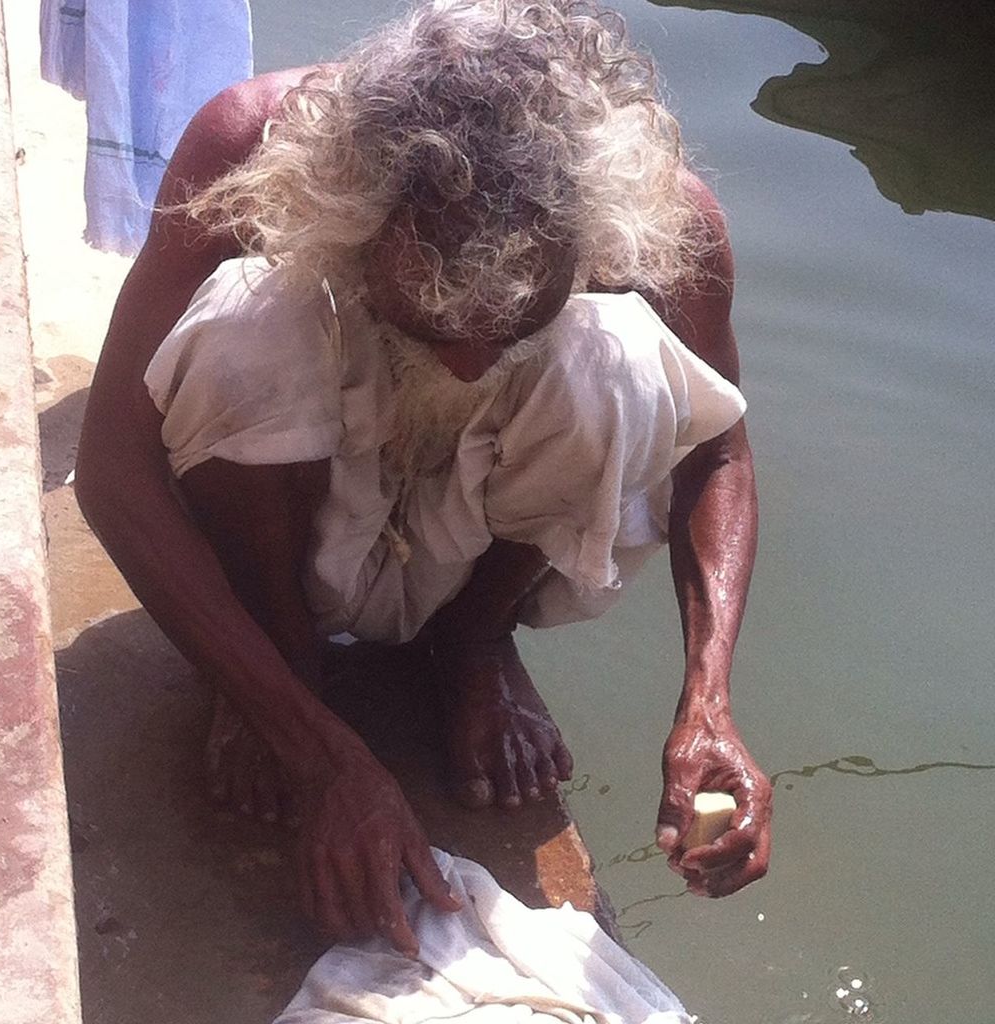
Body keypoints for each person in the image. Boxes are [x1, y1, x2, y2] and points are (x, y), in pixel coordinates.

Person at [75, 0, 772, 956]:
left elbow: (721, 453)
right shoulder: (253, 141)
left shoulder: (665, 216)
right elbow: (111, 469)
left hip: (470, 543)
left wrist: (709, 703)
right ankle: (284, 671)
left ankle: (469, 647)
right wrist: (318, 754)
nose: (468, 367)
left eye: (511, 328)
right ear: (357, 220)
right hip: (297, 506)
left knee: (618, 369)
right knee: (246, 329)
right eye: (432, 328)